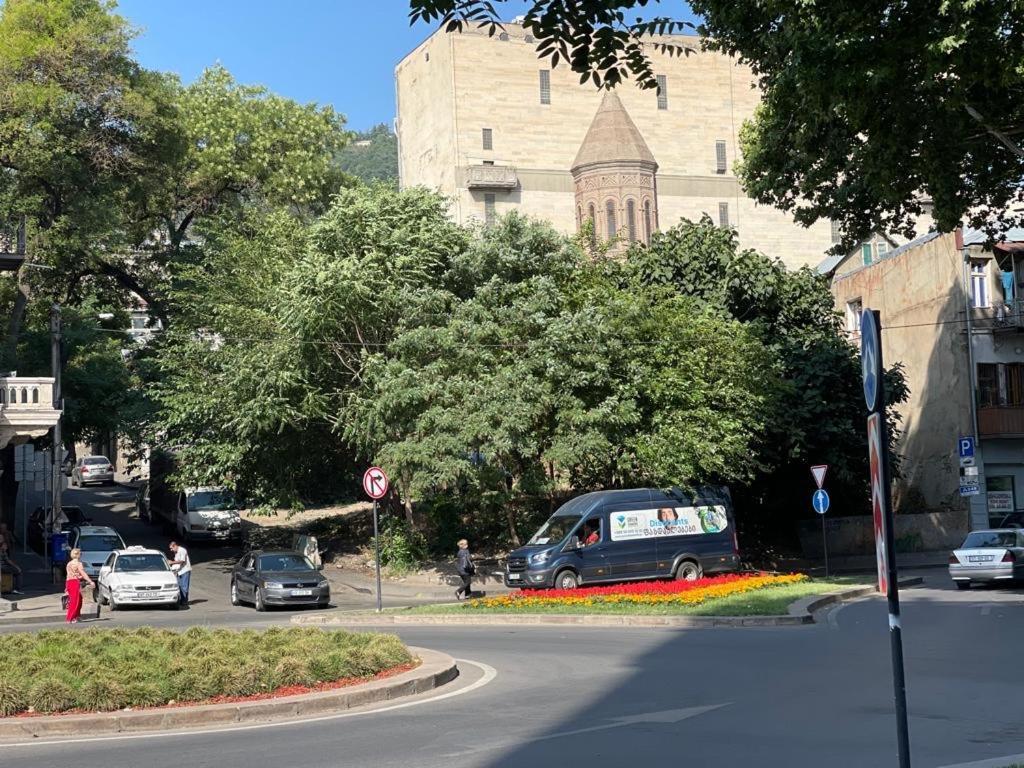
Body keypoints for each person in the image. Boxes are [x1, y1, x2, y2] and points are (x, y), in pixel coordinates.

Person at [64, 548, 94, 623]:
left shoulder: (69, 564)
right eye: (80, 554)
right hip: (74, 582)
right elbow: (83, 573)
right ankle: (70, 618)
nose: (81, 555)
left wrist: (66, 587)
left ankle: (77, 616)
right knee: (75, 601)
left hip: (69, 582)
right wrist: (90, 581)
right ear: (77, 555)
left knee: (79, 599)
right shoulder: (79, 563)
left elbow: (68, 575)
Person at [169, 541, 191, 606]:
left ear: (175, 546)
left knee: (184, 586)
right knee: (179, 586)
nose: (171, 550)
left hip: (185, 571)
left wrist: (172, 562)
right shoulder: (176, 552)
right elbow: (177, 563)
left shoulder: (182, 550)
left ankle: (184, 601)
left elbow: (182, 561)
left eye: (171, 548)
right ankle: (181, 600)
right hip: (179, 571)